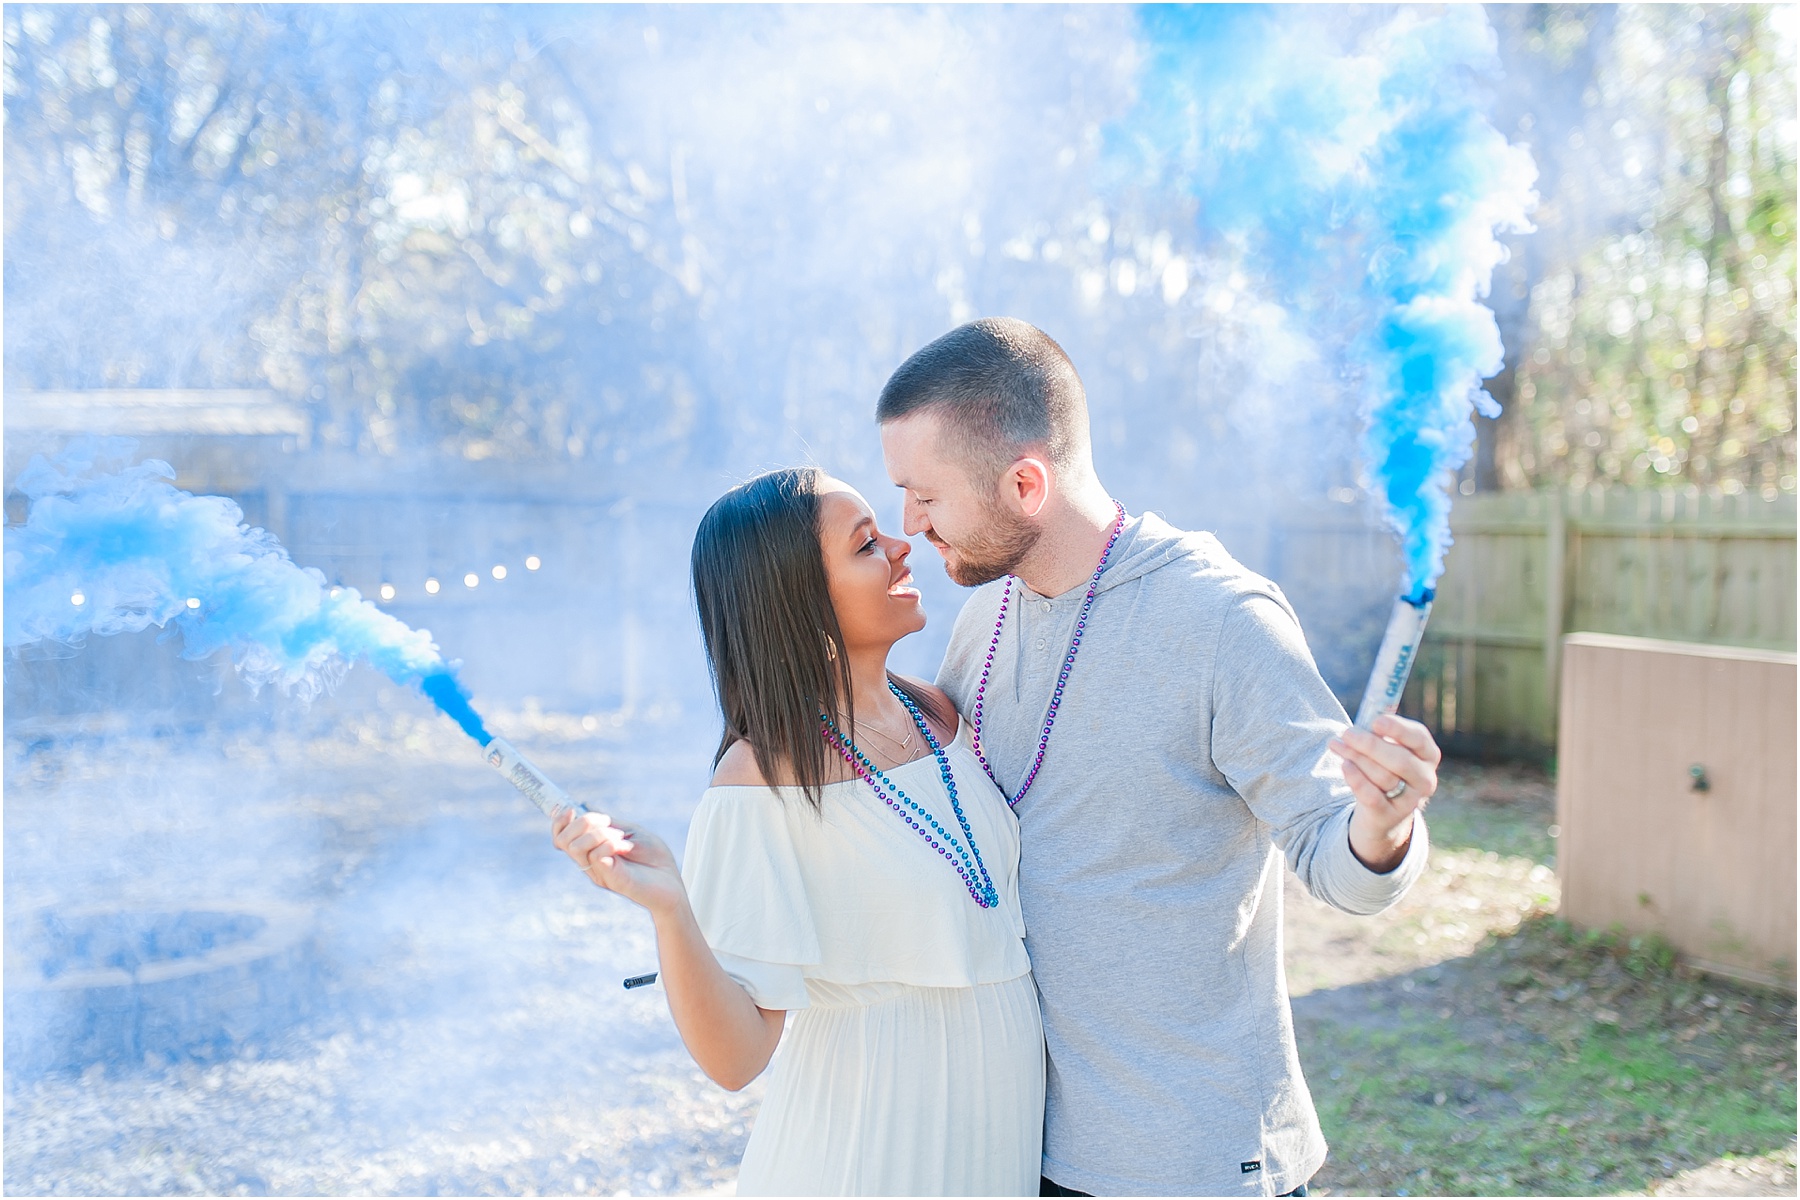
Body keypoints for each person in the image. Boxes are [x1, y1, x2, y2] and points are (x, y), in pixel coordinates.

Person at [876, 318, 1442, 1198]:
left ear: (1025, 483)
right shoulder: (985, 614)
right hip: (1025, 1149)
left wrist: (1383, 822)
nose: (907, 524)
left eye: (925, 495)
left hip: (1190, 1162)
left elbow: (1346, 871)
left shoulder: (1222, 621)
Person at [552, 466, 1044, 1196]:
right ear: (800, 602)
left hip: (993, 1152)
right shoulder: (759, 783)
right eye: (865, 545)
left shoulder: (943, 714)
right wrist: (670, 908)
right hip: (866, 1157)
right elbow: (736, 1059)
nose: (902, 545)